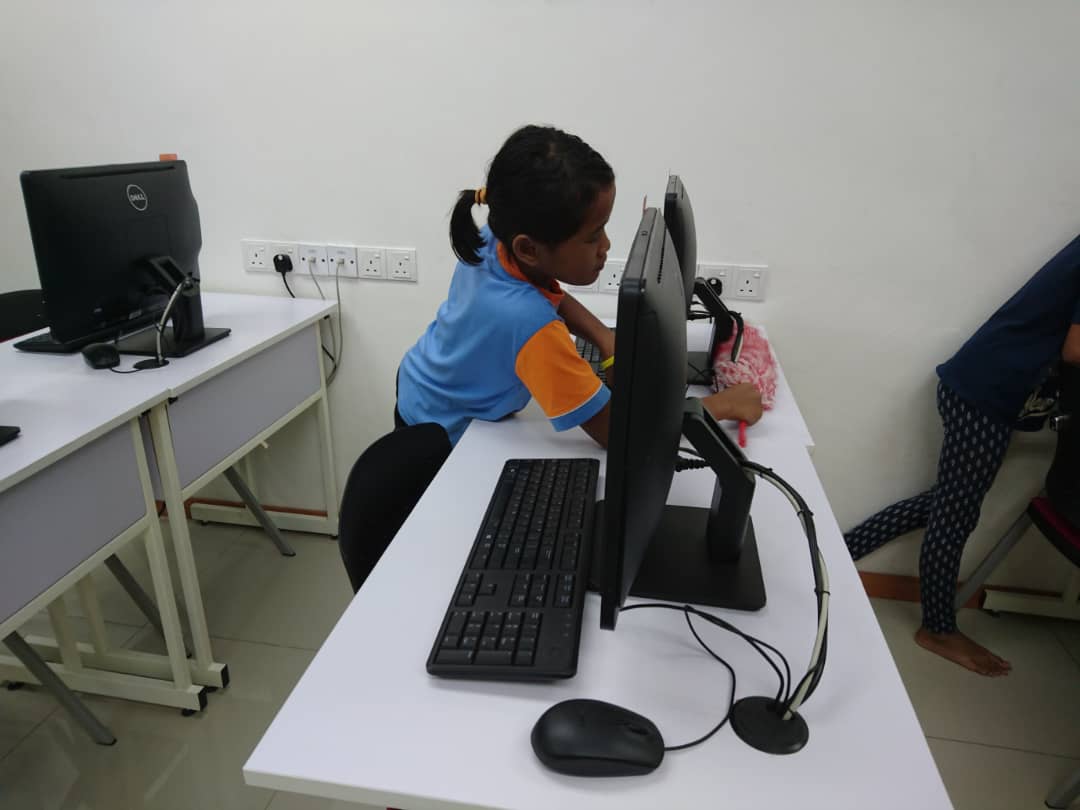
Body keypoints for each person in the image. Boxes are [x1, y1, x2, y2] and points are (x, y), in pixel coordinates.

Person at [395, 124, 763, 448]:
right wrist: (717, 406)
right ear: (529, 249)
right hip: (443, 430)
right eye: (592, 237)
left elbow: (545, 295)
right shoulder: (530, 326)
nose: (606, 246)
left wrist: (605, 339)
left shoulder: (498, 238)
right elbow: (614, 434)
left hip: (425, 383)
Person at [844, 232, 1080, 676]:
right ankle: (937, 629)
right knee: (955, 514)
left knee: (945, 504)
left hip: (984, 388)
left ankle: (835, 554)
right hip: (984, 394)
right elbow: (1076, 348)